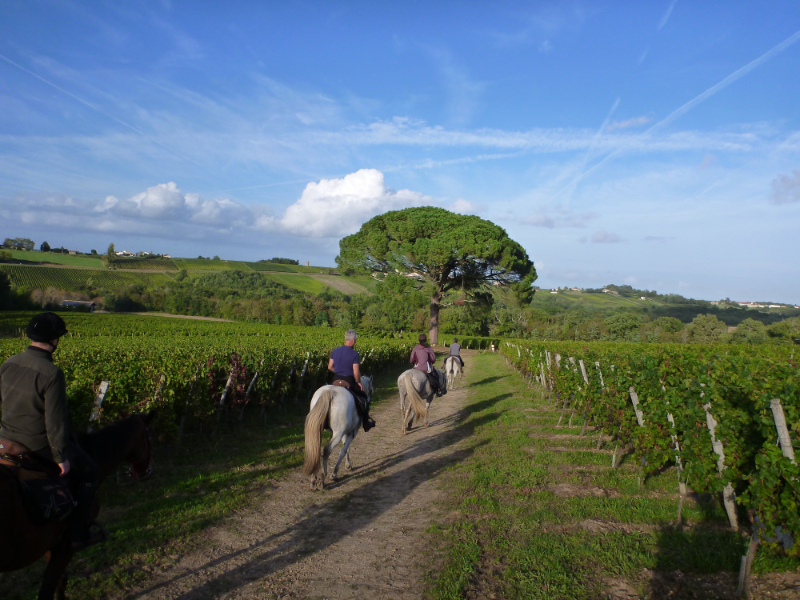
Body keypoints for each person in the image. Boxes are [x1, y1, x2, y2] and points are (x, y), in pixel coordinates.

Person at [0, 312, 106, 551]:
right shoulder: (51, 373)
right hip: (35, 445)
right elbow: (55, 421)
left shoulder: (8, 363)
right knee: (90, 472)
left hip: (3, 441)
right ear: (55, 340)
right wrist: (60, 458)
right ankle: (78, 534)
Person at [328, 329, 376, 432]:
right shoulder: (355, 354)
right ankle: (366, 422)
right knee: (363, 397)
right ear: (353, 340)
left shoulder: (335, 351)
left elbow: (330, 366)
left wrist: (339, 371)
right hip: (349, 380)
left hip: (335, 380)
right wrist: (359, 382)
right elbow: (356, 372)